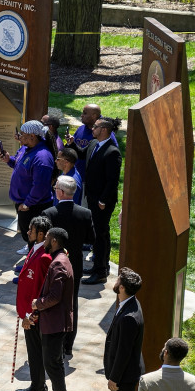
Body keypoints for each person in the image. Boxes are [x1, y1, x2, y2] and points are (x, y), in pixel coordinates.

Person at [41, 176, 94, 357]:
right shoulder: (85, 213)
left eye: (56, 187)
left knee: (51, 300)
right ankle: (68, 344)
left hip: (52, 266)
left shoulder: (49, 214)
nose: (55, 190)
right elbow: (90, 239)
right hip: (75, 266)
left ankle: (53, 342)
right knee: (72, 303)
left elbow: (43, 243)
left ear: (60, 192)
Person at [29, 227, 75, 391]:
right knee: (55, 363)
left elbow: (55, 297)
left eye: (47, 238)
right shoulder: (62, 259)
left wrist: (37, 304)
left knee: (52, 365)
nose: (45, 240)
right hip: (56, 322)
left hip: (55, 324)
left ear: (54, 240)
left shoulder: (58, 264)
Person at [101, 267, 145, 391]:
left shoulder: (129, 316)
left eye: (118, 280)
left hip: (124, 376)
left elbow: (123, 353)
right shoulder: (129, 303)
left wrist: (114, 378)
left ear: (123, 288)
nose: (115, 282)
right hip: (124, 374)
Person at [0, 119, 54, 253]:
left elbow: (40, 186)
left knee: (36, 238)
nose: (19, 136)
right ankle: (31, 255)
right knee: (29, 236)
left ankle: (32, 264)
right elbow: (20, 165)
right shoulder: (26, 148)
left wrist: (27, 204)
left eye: (22, 134)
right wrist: (9, 160)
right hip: (23, 203)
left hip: (33, 206)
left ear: (32, 136)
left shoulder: (42, 157)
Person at [14, 217, 52, 391]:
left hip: (34, 316)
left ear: (41, 234)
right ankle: (37, 385)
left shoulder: (44, 257)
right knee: (32, 352)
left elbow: (40, 289)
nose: (28, 232)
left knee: (35, 353)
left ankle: (38, 389)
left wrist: (31, 315)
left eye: (31, 229)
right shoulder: (35, 250)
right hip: (27, 312)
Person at [82, 117, 123, 285]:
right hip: (91, 197)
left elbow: (112, 180)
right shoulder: (93, 144)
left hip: (102, 202)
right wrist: (70, 144)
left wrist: (103, 200)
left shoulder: (112, 152)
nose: (93, 128)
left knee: (101, 236)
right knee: (98, 234)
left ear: (104, 130)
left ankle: (101, 272)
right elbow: (81, 154)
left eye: (96, 126)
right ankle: (100, 266)